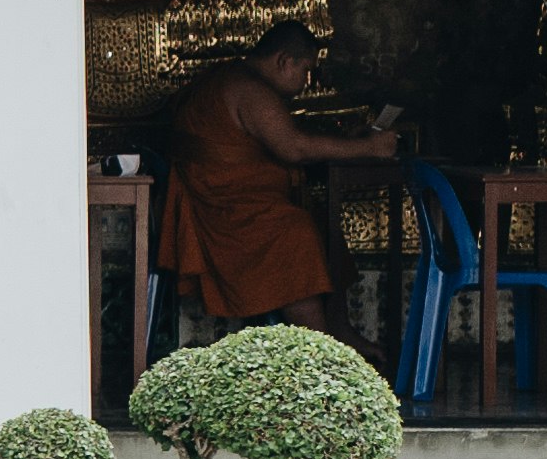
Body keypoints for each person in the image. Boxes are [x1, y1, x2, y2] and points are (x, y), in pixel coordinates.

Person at [158, 21, 397, 335]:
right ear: (284, 61)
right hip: (227, 216)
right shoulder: (250, 89)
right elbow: (293, 148)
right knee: (296, 234)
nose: (307, 81)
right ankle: (321, 353)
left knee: (325, 229)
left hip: (234, 203)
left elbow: (282, 138)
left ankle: (342, 334)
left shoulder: (232, 79)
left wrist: (347, 140)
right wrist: (369, 147)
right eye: (306, 70)